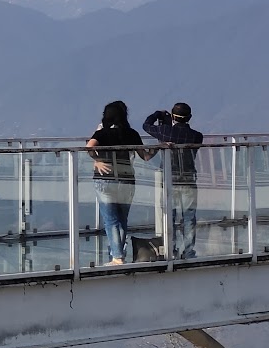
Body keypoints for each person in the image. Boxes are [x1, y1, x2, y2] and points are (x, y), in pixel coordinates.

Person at [87, 100, 152, 265]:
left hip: (105, 179)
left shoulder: (102, 134)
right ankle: (118, 254)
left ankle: (117, 257)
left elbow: (89, 147)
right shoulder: (131, 134)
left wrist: (98, 160)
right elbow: (145, 156)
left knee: (111, 220)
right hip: (127, 180)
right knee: (122, 220)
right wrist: (160, 148)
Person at [143, 102, 203, 260]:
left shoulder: (165, 132)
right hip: (189, 179)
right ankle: (188, 251)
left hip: (170, 179)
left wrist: (157, 114)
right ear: (189, 117)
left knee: (169, 215)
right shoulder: (197, 136)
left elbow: (146, 126)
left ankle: (171, 249)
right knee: (189, 217)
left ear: (172, 116)